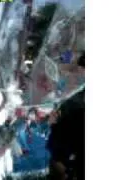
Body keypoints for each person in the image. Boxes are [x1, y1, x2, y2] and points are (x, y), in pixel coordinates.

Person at [47, 52, 85, 180]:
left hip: (71, 107)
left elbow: (55, 127)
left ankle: (67, 50)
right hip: (73, 107)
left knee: (69, 68)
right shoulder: (60, 152)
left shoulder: (59, 152)